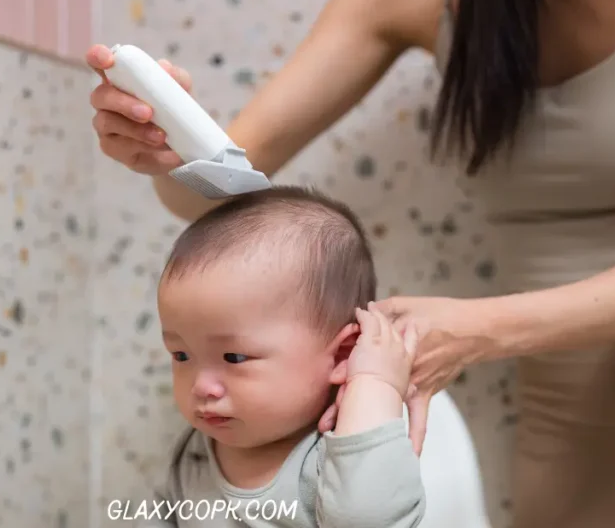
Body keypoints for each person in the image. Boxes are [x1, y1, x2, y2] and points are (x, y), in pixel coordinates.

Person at [87, 0, 615, 525]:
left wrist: (474, 331)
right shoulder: (405, 0)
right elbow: (217, 186)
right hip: (562, 425)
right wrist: (167, 150)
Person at [146, 185, 425, 527]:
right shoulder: (194, 452)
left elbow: (368, 520)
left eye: (233, 357)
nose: (201, 387)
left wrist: (376, 384)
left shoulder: (334, 460)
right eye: (181, 355)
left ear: (342, 354)